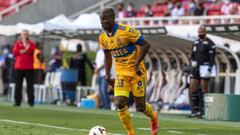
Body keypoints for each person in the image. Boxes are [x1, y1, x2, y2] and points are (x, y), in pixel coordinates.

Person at [99, 8, 159, 135]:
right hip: (121, 74)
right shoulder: (103, 37)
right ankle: (131, 133)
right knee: (119, 103)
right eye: (101, 19)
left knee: (140, 107)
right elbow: (107, 56)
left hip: (137, 73)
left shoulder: (126, 31)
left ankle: (153, 117)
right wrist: (108, 74)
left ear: (112, 19)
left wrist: (137, 63)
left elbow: (146, 45)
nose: (102, 22)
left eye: (104, 19)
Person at [189, 25, 216, 118]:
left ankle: (203, 111)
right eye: (199, 33)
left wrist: (209, 69)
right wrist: (193, 61)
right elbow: (192, 54)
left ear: (205, 32)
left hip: (205, 67)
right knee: (192, 87)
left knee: (204, 89)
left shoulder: (210, 43)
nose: (200, 34)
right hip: (196, 67)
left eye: (202, 33)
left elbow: (212, 58)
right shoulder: (195, 42)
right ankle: (195, 110)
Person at [13, 30, 36, 107]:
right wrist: (24, 50)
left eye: (26, 34)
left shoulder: (31, 44)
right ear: (21, 35)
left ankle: (31, 102)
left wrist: (24, 49)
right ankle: (17, 102)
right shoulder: (17, 43)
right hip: (19, 67)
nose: (24, 36)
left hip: (29, 67)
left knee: (30, 85)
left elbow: (31, 50)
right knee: (18, 85)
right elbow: (15, 52)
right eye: (23, 34)